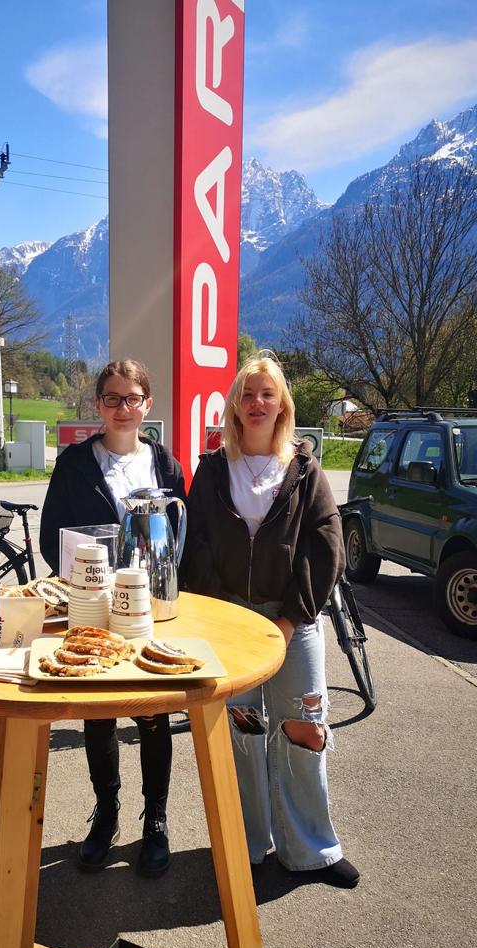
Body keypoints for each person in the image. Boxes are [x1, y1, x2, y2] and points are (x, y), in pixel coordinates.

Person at [181, 352, 359, 888]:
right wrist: (223, 614)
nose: (257, 402)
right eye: (248, 394)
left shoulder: (304, 468)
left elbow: (326, 547)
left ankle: (311, 850)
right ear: (235, 405)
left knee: (304, 727)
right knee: (243, 730)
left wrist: (287, 620)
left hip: (293, 622)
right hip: (230, 622)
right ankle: (248, 846)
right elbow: (197, 548)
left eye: (268, 394)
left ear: (282, 404)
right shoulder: (214, 470)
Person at [40, 359, 186, 877]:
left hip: (151, 609)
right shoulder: (75, 463)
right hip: (95, 607)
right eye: (112, 398)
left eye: (133, 398)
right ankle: (107, 812)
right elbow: (51, 538)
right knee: (99, 714)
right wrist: (87, 578)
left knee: (154, 713)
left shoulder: (166, 464)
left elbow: (182, 535)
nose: (123, 408)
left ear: (148, 405)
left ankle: (156, 819)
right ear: (98, 405)